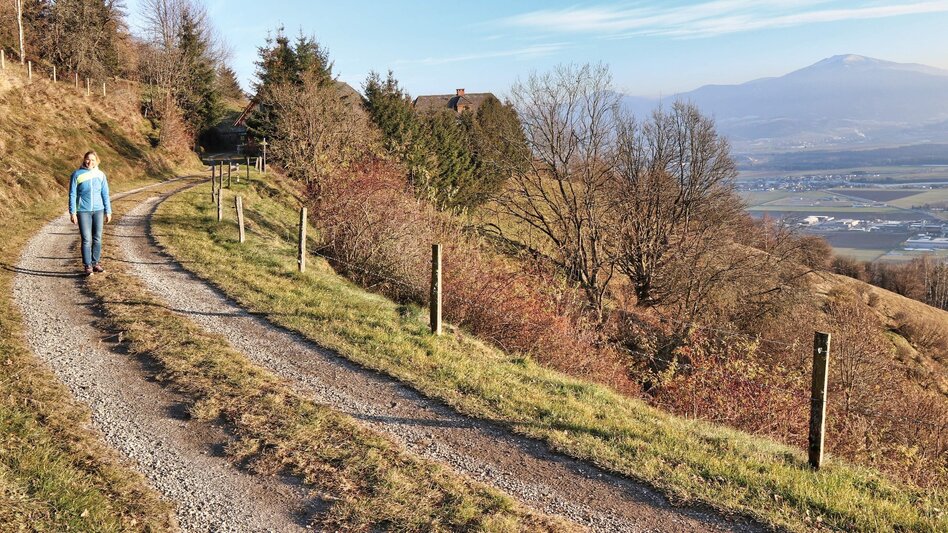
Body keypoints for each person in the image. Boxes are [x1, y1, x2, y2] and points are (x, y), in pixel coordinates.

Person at [68, 150, 112, 275]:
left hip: (99, 210)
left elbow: (105, 194)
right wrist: (73, 212)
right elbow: (72, 194)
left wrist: (108, 211)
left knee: (97, 238)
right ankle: (87, 265)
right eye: (88, 159)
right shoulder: (77, 174)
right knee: (86, 239)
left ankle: (95, 263)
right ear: (84, 159)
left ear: (96, 161)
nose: (90, 162)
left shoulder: (101, 175)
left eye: (92, 160)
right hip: (83, 211)